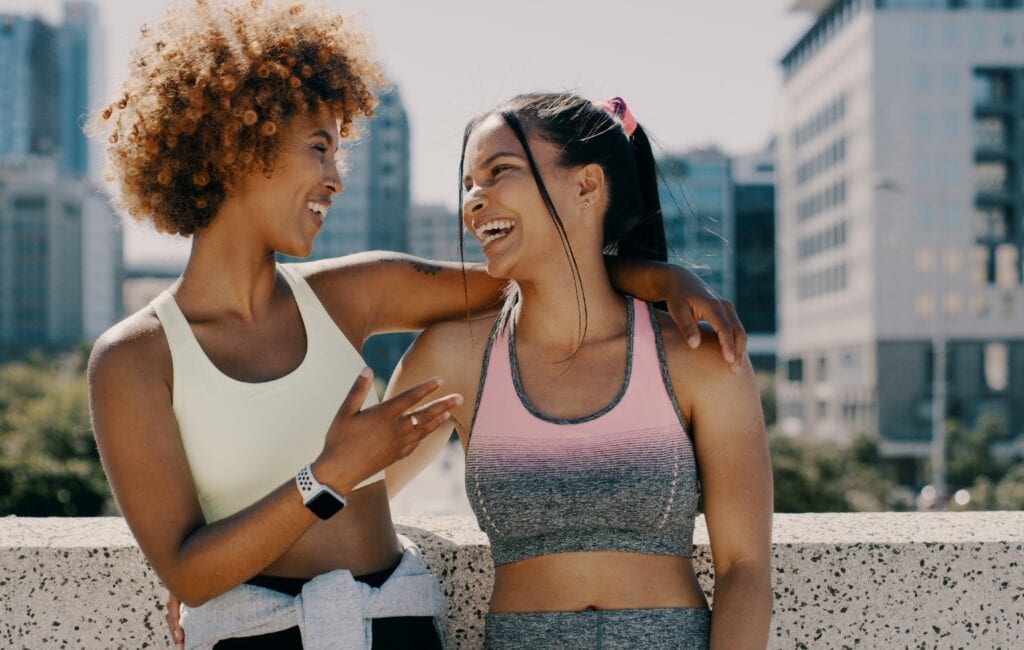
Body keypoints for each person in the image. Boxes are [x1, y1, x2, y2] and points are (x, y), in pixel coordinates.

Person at [90, 2, 745, 647]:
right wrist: (331, 476)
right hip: (258, 635)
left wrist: (663, 279)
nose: (334, 178)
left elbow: (539, 261)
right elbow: (189, 572)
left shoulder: (352, 294)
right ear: (240, 141)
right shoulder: (134, 359)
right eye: (320, 149)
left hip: (397, 625)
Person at [384, 93, 773, 649]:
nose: (474, 200)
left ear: (587, 186)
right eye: (469, 183)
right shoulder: (456, 357)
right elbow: (358, 500)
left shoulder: (697, 356)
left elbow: (745, 569)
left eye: (499, 173)